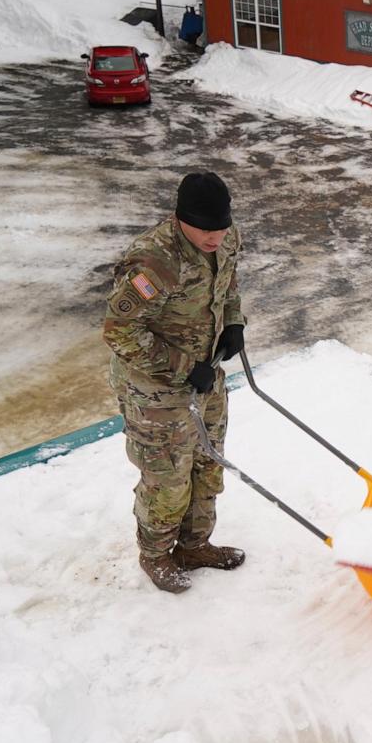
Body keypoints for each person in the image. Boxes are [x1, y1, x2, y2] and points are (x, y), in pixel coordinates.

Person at [102, 171, 247, 594]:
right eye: (206, 228)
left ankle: (194, 545)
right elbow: (119, 331)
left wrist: (234, 322)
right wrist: (184, 366)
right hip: (155, 390)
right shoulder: (154, 262)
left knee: (207, 464)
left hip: (207, 376)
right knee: (167, 477)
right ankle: (156, 555)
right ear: (182, 218)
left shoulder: (224, 237)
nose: (216, 237)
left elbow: (228, 282)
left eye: (221, 226)